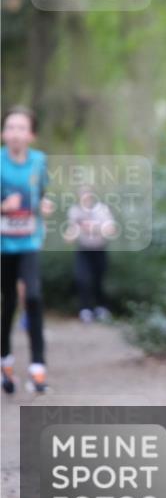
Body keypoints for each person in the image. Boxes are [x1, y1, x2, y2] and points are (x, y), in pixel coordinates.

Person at [1, 106, 55, 394]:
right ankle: (5, 361)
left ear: (31, 135)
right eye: (10, 127)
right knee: (7, 302)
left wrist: (44, 206)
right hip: (2, 243)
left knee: (32, 297)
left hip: (29, 241)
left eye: (21, 128)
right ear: (3, 134)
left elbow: (42, 196)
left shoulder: (39, 161)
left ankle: (38, 367)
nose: (15, 133)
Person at [63, 184, 117, 322]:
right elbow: (72, 229)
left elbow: (111, 230)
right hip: (83, 250)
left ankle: (101, 307)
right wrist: (70, 235)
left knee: (98, 280)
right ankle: (85, 309)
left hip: (99, 250)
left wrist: (94, 229)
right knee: (82, 279)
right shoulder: (75, 211)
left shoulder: (102, 210)